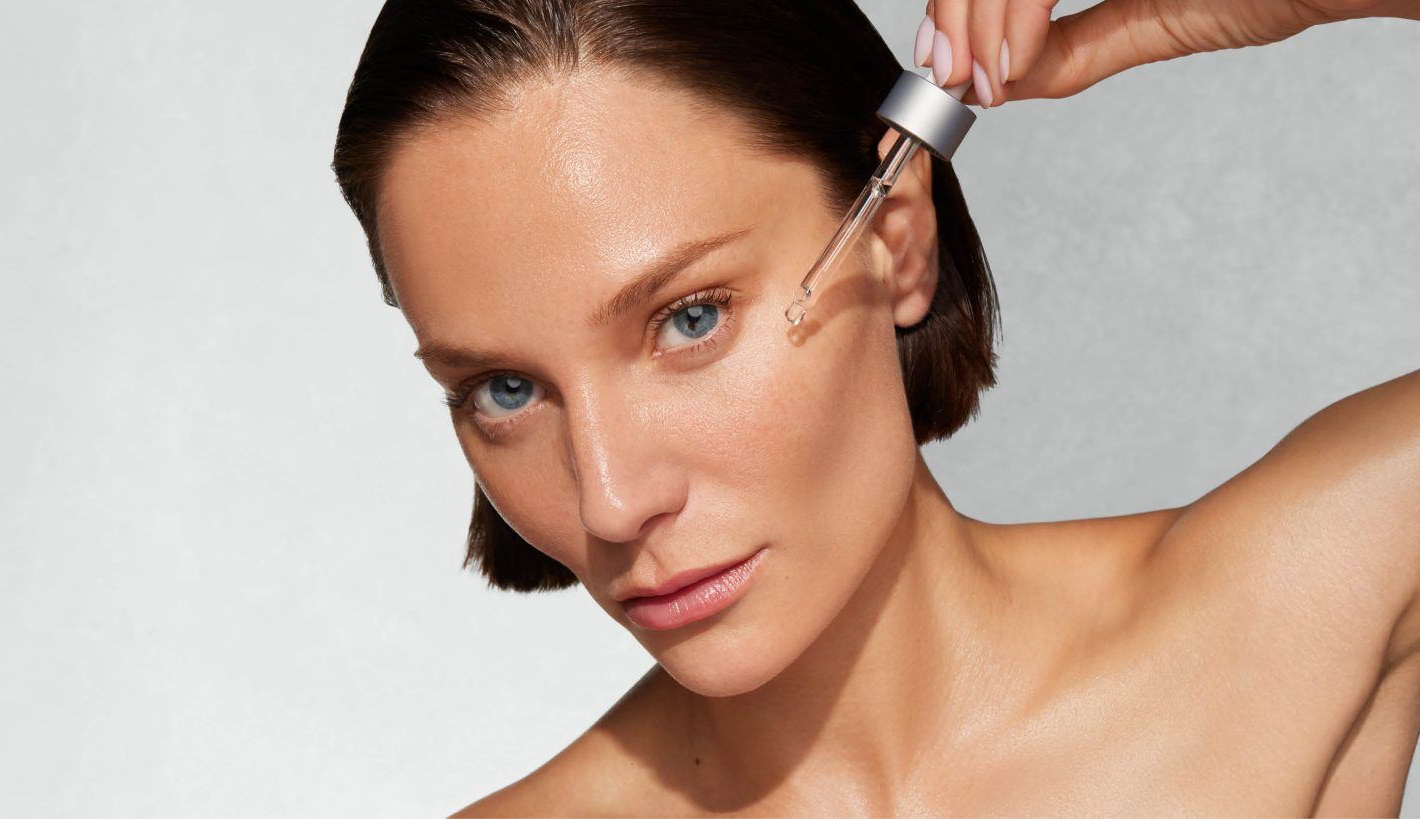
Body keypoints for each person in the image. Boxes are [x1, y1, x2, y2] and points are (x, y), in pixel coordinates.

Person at [328, 0, 1420, 813]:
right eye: (505, 390)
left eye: (690, 319)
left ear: (897, 237)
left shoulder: (1300, 602)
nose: (611, 502)